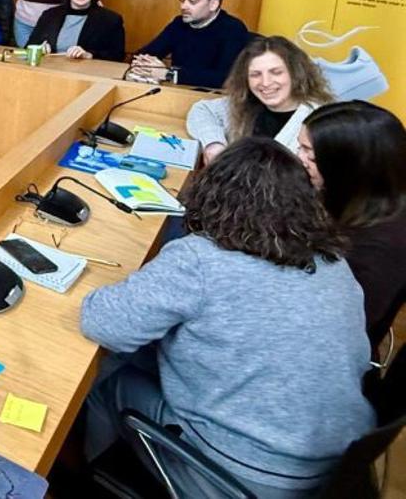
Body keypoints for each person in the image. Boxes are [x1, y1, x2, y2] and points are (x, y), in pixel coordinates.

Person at [81, 137, 373, 498]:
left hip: (245, 475)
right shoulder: (332, 260)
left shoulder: (200, 259)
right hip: (336, 464)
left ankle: (87, 482)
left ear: (213, 193)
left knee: (106, 379)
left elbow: (103, 323)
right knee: (149, 347)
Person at [299, 101, 406, 350]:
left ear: (346, 165)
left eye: (309, 154)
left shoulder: (385, 246)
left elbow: (336, 331)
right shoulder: (339, 192)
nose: (299, 158)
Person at [187, 35, 332, 164]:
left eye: (276, 72)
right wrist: (214, 144)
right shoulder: (247, 104)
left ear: (296, 73)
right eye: (256, 74)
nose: (266, 82)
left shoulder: (319, 119)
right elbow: (202, 110)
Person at [131, 0, 250, 89]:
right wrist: (142, 62)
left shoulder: (233, 29)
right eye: (182, 0)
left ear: (213, 4)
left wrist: (169, 74)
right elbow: (147, 53)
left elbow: (226, 78)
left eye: (192, 1)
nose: (183, 6)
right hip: (176, 90)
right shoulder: (179, 23)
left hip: (210, 98)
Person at [26, 0, 124, 61]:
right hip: (51, 71)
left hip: (86, 74)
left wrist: (89, 55)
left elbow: (117, 55)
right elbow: (29, 46)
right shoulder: (49, 15)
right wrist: (40, 48)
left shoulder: (111, 20)